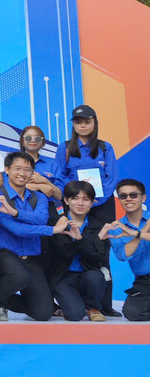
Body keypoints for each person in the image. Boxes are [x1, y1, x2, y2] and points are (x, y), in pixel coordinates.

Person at [0, 152, 68, 322]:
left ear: (32, 173)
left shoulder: (39, 197)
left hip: (29, 257)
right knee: (19, 276)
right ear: (7, 170)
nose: (22, 173)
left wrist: (15, 212)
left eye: (27, 169)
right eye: (17, 168)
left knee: (43, 313)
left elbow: (41, 219)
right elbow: (18, 230)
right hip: (2, 254)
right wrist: (53, 230)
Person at [54, 105, 119, 313]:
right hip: (74, 203)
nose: (83, 126)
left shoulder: (105, 147)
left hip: (101, 204)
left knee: (101, 250)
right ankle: (71, 295)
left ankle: (104, 305)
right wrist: (75, 198)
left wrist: (94, 201)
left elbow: (111, 178)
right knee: (70, 242)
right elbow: (59, 176)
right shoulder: (64, 148)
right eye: (78, 122)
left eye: (87, 122)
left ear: (94, 123)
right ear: (73, 125)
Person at [45, 181, 108, 322]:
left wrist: (79, 239)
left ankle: (92, 308)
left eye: (85, 199)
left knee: (96, 277)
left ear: (92, 202)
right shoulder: (57, 224)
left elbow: (99, 257)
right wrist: (80, 242)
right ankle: (62, 307)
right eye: (75, 198)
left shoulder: (98, 227)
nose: (80, 203)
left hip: (86, 275)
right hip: (62, 277)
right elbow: (63, 253)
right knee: (75, 315)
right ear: (66, 201)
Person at [107, 179, 149, 321]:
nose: (128, 199)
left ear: (143, 198)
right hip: (144, 282)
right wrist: (139, 234)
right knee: (132, 313)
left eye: (133, 195)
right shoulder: (116, 228)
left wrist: (135, 233)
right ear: (119, 200)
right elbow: (123, 255)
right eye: (123, 196)